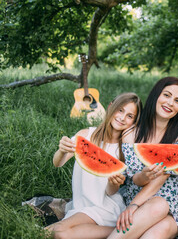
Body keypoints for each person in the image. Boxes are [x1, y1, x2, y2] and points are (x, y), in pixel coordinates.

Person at [46, 92, 142, 239]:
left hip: (106, 208)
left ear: (134, 122)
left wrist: (113, 183)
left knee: (58, 230)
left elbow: (111, 192)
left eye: (130, 116)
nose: (122, 118)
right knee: (60, 233)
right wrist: (61, 150)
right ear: (110, 107)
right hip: (81, 206)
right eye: (120, 110)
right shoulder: (85, 135)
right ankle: (119, 232)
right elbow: (58, 163)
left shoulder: (125, 150)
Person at [107, 77, 178, 239]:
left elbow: (161, 179)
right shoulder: (131, 134)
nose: (170, 103)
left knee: (158, 214)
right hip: (140, 203)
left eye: (177, 101)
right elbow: (135, 179)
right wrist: (144, 177)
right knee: (155, 216)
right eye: (166, 95)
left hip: (173, 207)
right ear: (156, 95)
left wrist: (132, 206)